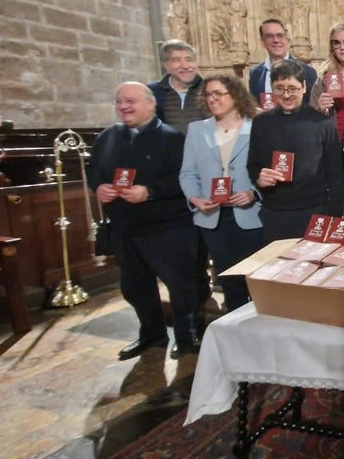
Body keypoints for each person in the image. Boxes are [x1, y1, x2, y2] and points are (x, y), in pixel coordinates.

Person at [88, 82, 199, 360]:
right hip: (125, 227)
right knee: (135, 286)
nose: (124, 106)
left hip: (167, 226)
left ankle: (186, 337)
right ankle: (151, 334)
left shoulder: (172, 138)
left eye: (131, 101)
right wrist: (99, 188)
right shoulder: (108, 137)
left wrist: (149, 192)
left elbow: (184, 179)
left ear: (150, 104)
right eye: (119, 101)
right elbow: (94, 172)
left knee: (180, 285)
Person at [179, 75, 263, 312]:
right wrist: (195, 198)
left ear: (235, 95)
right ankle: (235, 331)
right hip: (213, 217)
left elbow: (268, 168)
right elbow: (187, 173)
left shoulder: (256, 126)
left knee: (256, 278)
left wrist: (253, 193)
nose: (212, 99)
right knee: (229, 279)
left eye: (218, 93)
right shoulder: (197, 130)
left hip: (250, 215)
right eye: (208, 94)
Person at [147, 40, 212, 332]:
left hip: (206, 176)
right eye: (176, 60)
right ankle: (190, 317)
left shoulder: (208, 89)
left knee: (204, 243)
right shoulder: (153, 94)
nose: (184, 65)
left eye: (189, 58)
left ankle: (206, 298)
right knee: (180, 251)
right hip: (170, 180)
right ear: (166, 64)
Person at [249, 59, 344, 242]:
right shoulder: (261, 123)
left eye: (292, 88)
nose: (286, 95)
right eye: (279, 88)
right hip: (275, 213)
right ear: (272, 87)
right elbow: (253, 165)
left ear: (304, 87)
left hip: (315, 213)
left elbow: (335, 174)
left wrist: (334, 215)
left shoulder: (322, 123)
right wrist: (259, 178)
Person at [249, 18, 318, 108]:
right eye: (270, 36)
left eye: (280, 35)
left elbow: (312, 106)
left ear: (287, 39)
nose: (276, 40)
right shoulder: (255, 73)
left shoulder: (307, 71)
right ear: (262, 41)